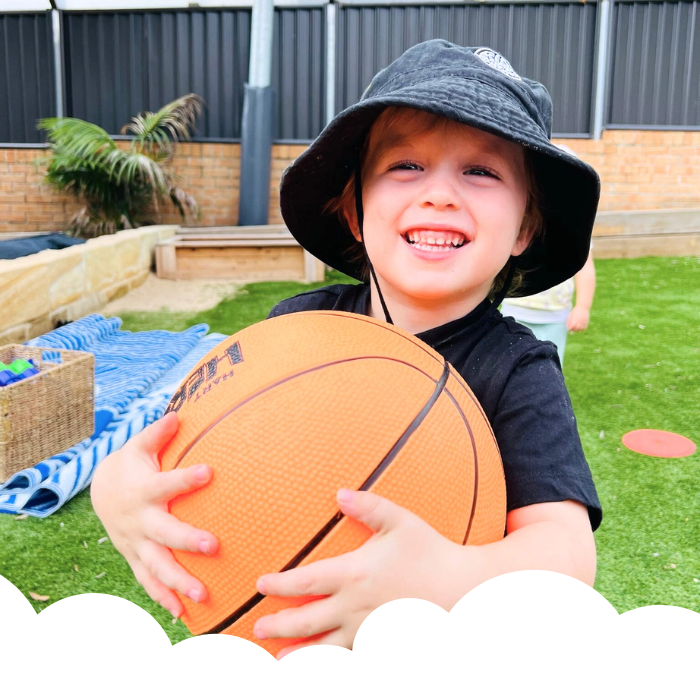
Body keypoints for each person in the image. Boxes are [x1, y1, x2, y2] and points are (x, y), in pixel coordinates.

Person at [91, 41, 602, 658]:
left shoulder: (515, 370)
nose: (440, 194)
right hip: (273, 653)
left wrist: (441, 579)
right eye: (406, 166)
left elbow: (568, 555)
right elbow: (168, 440)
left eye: (482, 171)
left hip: (427, 664)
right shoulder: (296, 331)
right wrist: (112, 488)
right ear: (356, 212)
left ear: (524, 228)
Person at [500, 144, 596, 367]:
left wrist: (583, 307)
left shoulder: (574, 230)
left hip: (554, 316)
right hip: (515, 309)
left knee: (549, 368)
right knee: (506, 365)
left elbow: (585, 269)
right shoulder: (520, 221)